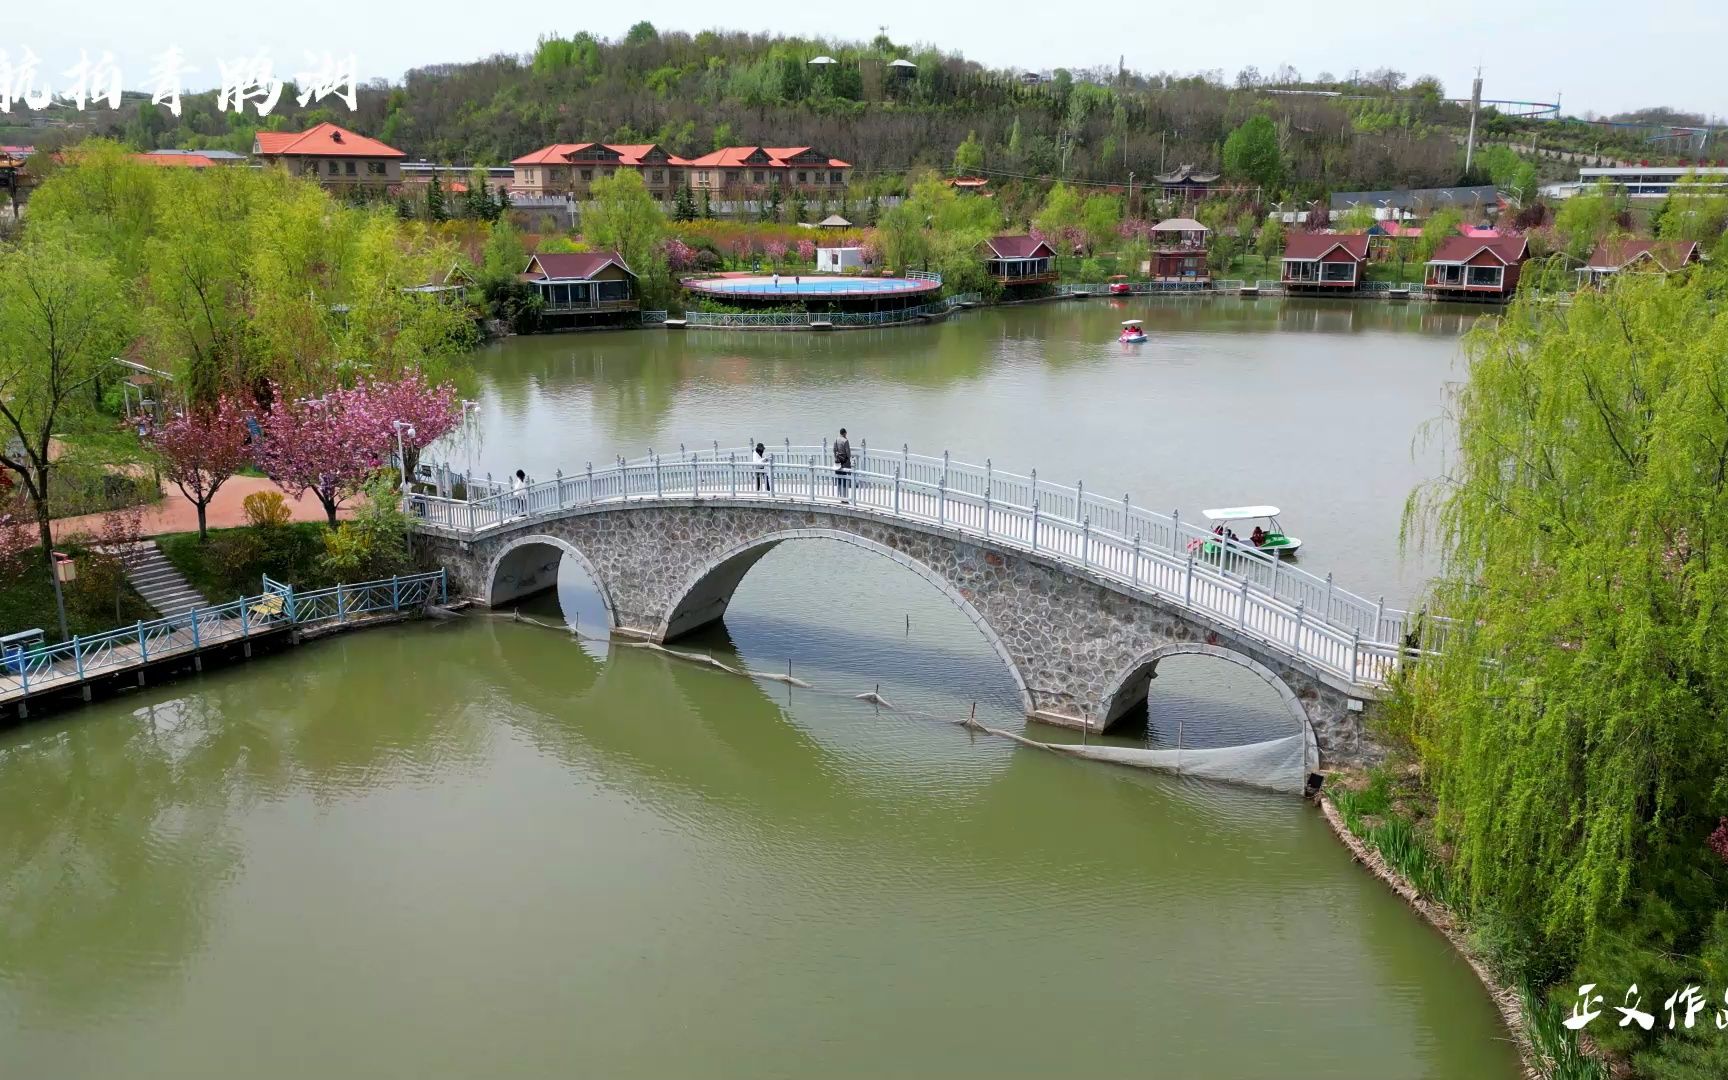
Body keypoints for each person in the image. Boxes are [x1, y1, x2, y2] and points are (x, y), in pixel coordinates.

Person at [833, 427, 852, 501]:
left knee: (839, 479)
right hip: (844, 462)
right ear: (844, 433)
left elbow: (834, 450)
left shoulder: (836, 439)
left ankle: (839, 496)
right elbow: (848, 453)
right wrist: (849, 459)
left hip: (838, 462)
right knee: (844, 479)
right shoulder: (845, 441)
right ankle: (844, 498)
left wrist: (836, 457)